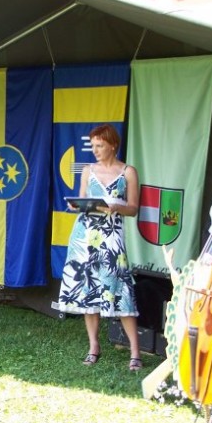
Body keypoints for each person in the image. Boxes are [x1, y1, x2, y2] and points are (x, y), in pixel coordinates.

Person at [54, 123, 142, 371]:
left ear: (112, 144)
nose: (95, 150)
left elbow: (134, 208)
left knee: (120, 289)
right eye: (92, 145)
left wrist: (117, 207)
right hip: (84, 236)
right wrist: (77, 205)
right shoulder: (87, 170)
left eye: (99, 145)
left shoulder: (128, 172)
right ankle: (94, 346)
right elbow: (83, 198)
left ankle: (135, 352)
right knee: (86, 290)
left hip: (111, 235)